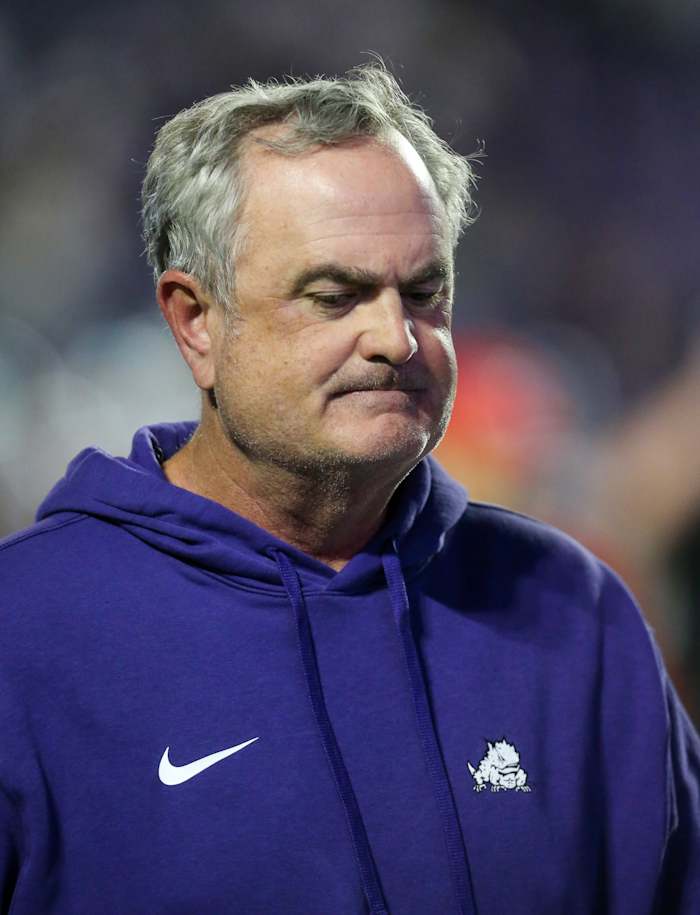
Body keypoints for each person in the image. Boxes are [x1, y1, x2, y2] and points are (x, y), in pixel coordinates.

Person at [0, 62, 698, 915]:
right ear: (196, 322)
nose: (395, 338)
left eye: (425, 292)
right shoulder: (25, 636)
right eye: (336, 296)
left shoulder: (574, 612)